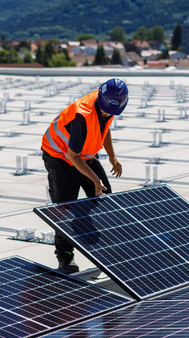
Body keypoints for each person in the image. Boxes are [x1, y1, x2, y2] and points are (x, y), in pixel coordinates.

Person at [41, 78, 129, 273]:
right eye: (107, 109)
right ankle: (65, 257)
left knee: (104, 199)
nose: (108, 113)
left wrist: (113, 157)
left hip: (85, 154)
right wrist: (94, 179)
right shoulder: (83, 115)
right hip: (60, 157)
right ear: (101, 99)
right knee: (65, 207)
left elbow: (103, 129)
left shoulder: (109, 106)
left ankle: (106, 250)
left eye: (112, 111)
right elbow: (73, 156)